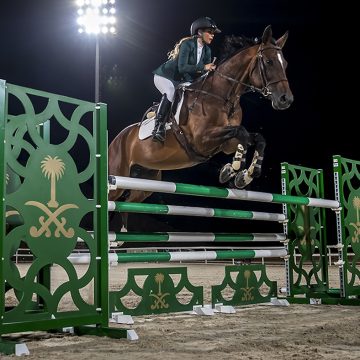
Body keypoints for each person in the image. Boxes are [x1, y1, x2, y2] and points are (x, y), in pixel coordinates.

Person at [151, 16, 221, 143]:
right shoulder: (187, 44)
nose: (212, 36)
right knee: (171, 92)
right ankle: (158, 127)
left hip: (182, 79)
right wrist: (204, 67)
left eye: (213, 33)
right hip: (165, 76)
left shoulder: (207, 50)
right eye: (209, 32)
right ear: (199, 32)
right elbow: (183, 68)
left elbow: (201, 74)